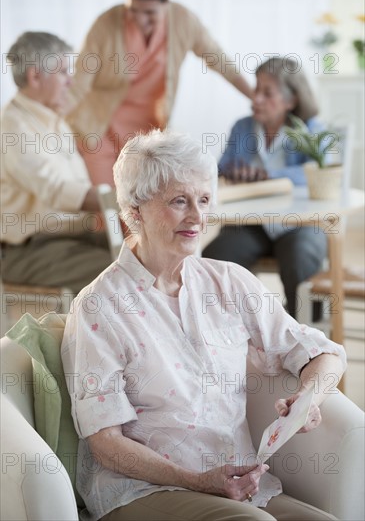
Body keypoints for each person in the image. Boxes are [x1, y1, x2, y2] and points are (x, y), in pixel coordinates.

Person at [61, 129, 345, 521]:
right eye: (179, 201)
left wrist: (312, 396)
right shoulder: (98, 307)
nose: (197, 217)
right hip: (141, 492)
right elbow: (106, 444)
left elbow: (322, 352)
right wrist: (199, 481)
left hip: (241, 486)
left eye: (204, 200)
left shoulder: (229, 281)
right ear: (135, 209)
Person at [65, 0, 253, 186]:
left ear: (166, 3)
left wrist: (255, 97)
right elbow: (78, 83)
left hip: (149, 134)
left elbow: (220, 62)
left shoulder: (183, 21)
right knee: (106, 206)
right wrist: (46, 121)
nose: (139, 19)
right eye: (133, 10)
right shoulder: (106, 24)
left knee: (141, 204)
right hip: (100, 129)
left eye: (150, 13)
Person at [202, 57, 328, 319]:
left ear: (291, 100)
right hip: (252, 225)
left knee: (300, 257)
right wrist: (234, 172)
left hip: (300, 225)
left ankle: (307, 333)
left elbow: (319, 174)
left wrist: (269, 176)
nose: (255, 98)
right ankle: (232, 333)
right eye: (256, 88)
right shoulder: (243, 127)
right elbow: (220, 168)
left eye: (266, 92)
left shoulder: (310, 129)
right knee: (216, 255)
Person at [1, 31, 112, 293]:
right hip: (29, 250)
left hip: (73, 239)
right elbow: (55, 189)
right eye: (63, 71)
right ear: (35, 76)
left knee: (153, 258)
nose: (70, 82)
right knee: (125, 274)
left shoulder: (56, 121)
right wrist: (122, 199)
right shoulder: (12, 127)